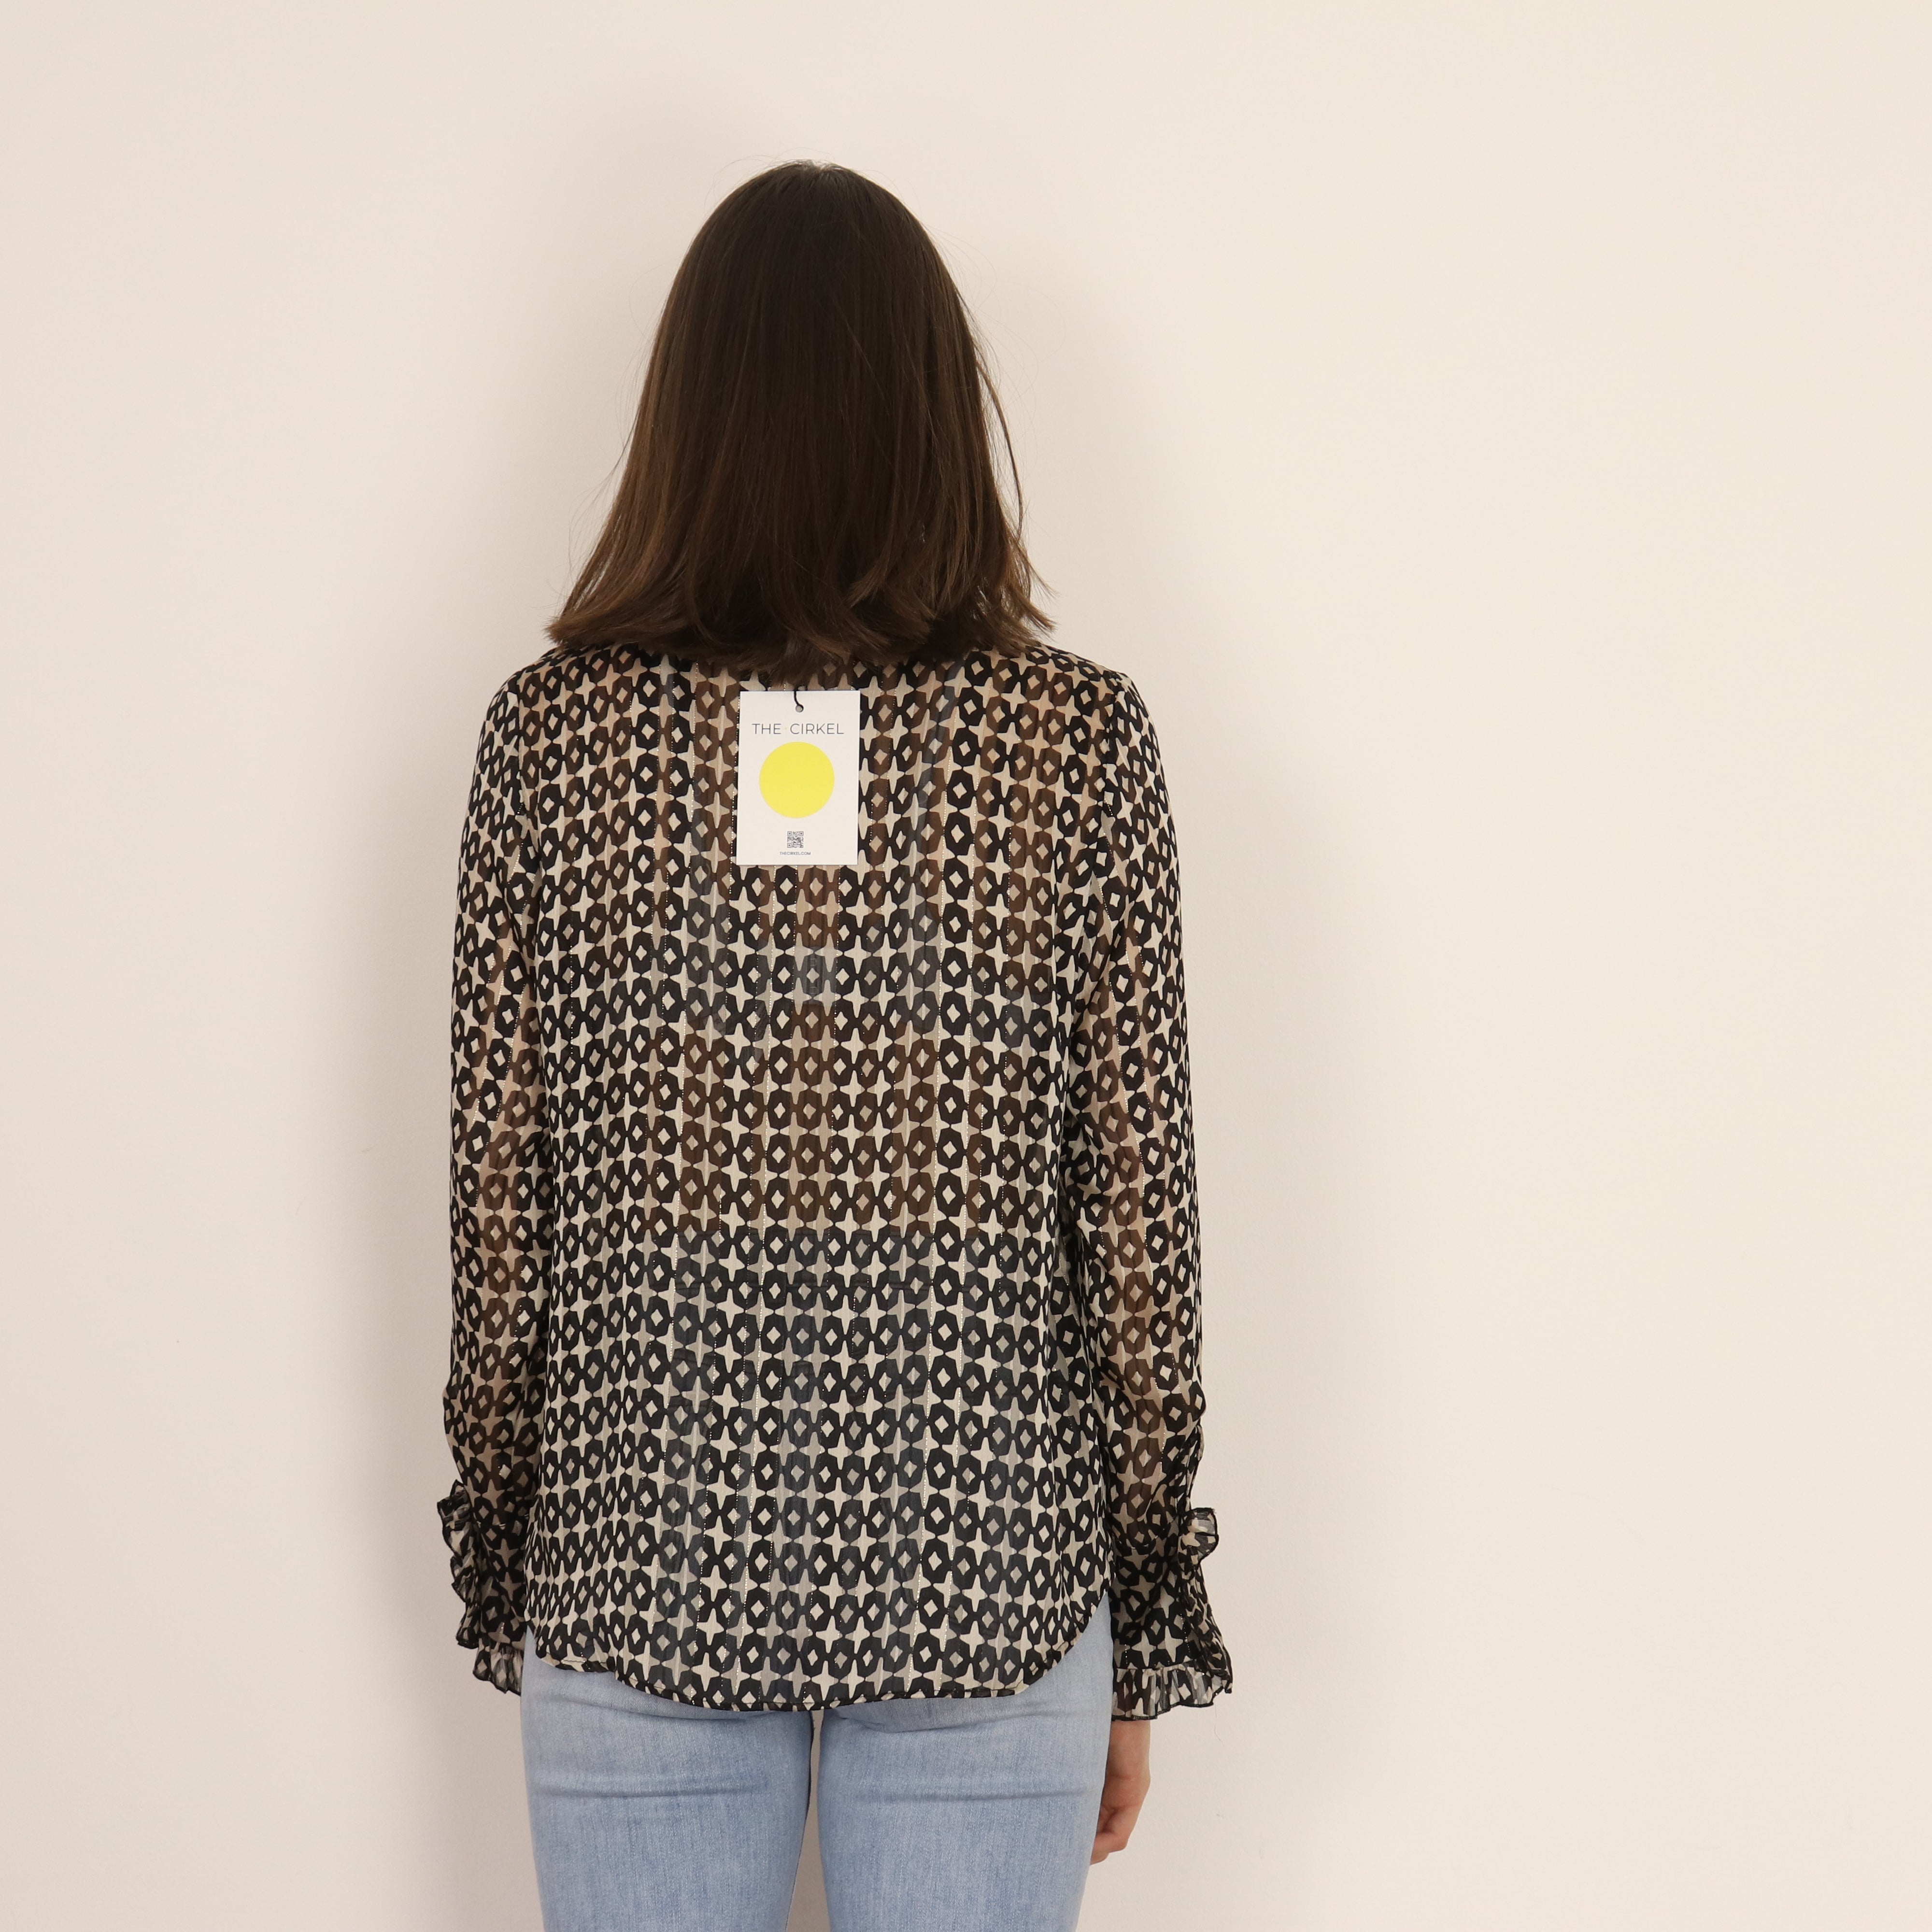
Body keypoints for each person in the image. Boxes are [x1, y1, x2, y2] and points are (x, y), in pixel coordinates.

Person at [437, 159, 1231, 1932]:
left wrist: (512, 1535)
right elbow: (1140, 1239)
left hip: (639, 1551)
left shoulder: (550, 748)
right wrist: (1142, 1621)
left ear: (687, 418)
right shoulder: (1075, 750)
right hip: (989, 1570)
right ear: (940, 415)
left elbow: (502, 1225)